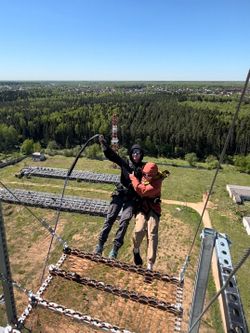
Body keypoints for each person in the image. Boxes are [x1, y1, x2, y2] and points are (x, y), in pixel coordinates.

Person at [93, 134, 145, 259]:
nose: (135, 155)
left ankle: (114, 250)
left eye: (138, 153)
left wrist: (160, 176)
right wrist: (103, 144)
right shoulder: (125, 162)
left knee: (124, 221)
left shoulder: (143, 168)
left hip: (132, 198)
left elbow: (152, 174)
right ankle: (100, 245)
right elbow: (112, 156)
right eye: (134, 152)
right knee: (110, 217)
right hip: (121, 193)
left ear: (141, 154)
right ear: (131, 154)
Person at [129, 162, 170, 270]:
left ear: (154, 174)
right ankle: (136, 249)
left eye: (149, 175)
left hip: (153, 208)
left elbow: (142, 190)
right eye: (145, 174)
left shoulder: (157, 182)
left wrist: (133, 178)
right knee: (139, 230)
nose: (146, 176)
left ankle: (150, 264)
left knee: (152, 233)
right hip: (142, 207)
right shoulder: (145, 176)